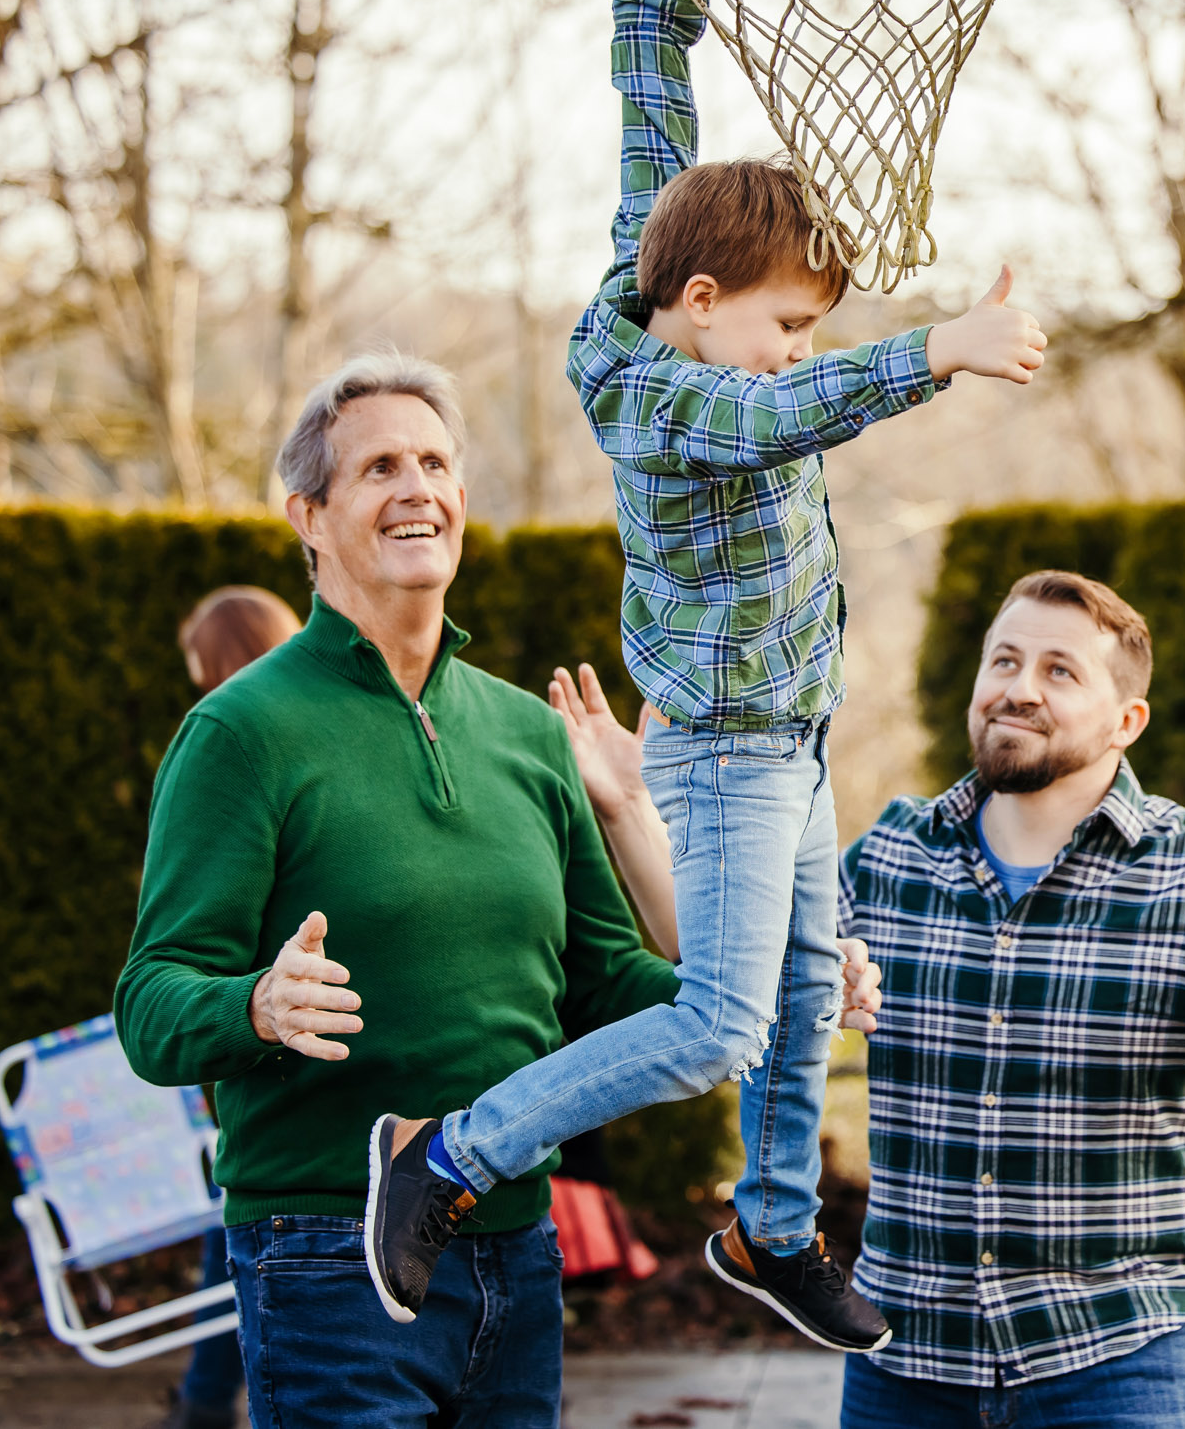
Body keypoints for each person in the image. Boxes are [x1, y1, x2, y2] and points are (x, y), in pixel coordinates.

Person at [358, 0, 1047, 1352]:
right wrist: (936, 351)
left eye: (809, 324)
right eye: (789, 319)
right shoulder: (668, 399)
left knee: (803, 1006)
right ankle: (448, 1152)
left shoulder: (656, 274)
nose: (798, 344)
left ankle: (775, 1225)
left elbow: (650, 135)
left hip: (786, 740)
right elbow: (792, 401)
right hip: (726, 753)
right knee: (721, 1024)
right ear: (713, 300)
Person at [113, 351, 882, 1428]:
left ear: (462, 499)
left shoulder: (528, 733)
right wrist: (253, 1004)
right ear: (309, 514)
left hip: (517, 1251)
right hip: (323, 1253)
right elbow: (149, 1003)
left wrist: (774, 975)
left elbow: (610, 978)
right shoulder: (241, 733)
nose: (416, 486)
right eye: (379, 466)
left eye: (434, 461)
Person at [543, 571, 1185, 1427]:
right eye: (1003, 660)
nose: (1018, 687)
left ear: (1128, 719)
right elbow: (727, 965)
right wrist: (628, 806)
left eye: (1059, 670)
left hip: (1118, 1364)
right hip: (906, 1370)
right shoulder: (895, 853)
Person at [159, 585, 303, 1429]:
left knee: (239, 1224)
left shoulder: (226, 753)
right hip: (262, 1032)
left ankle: (206, 1398)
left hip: (269, 1059)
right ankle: (207, 1396)